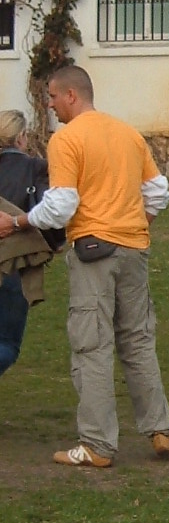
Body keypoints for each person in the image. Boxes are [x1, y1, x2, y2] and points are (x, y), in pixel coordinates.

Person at [0, 66, 169, 467]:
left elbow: (61, 206)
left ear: (71, 96)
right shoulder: (128, 134)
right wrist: (133, 225)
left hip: (93, 251)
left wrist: (17, 222)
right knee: (138, 340)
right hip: (135, 249)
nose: (49, 105)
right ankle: (161, 430)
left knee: (91, 345)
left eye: (52, 96)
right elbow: (158, 193)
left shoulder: (67, 139)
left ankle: (97, 445)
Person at [0, 109, 61, 375]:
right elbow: (51, 213)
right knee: (7, 343)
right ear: (21, 137)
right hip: (16, 262)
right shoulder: (36, 168)